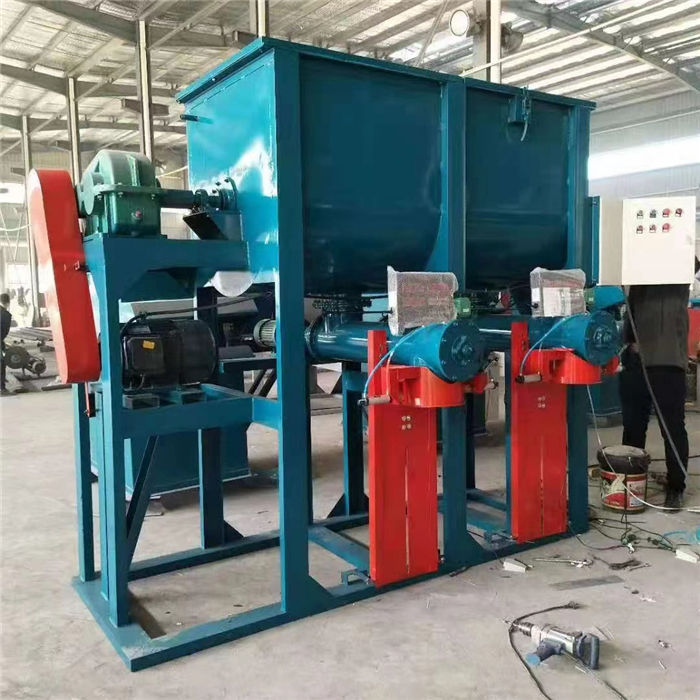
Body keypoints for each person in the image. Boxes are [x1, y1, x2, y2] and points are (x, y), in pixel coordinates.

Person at [619, 284, 690, 511]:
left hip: (668, 362)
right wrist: (629, 343)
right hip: (636, 360)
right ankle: (631, 482)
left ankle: (676, 486)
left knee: (672, 428)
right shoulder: (637, 274)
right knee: (633, 426)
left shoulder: (679, 271)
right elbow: (631, 309)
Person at [1, 292, 12, 395]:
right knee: (1, 364)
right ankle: (2, 389)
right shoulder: (6, 315)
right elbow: (4, 332)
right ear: (8, 302)